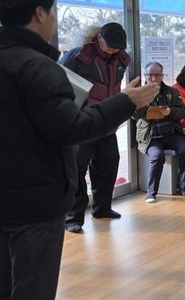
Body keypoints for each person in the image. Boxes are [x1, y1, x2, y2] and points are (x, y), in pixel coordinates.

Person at [0, 0, 159, 299]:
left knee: (4, 284)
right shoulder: (39, 67)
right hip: (35, 199)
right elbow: (72, 128)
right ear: (39, 13)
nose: (53, 19)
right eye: (52, 12)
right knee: (32, 288)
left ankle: (101, 206)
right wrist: (126, 101)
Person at [61, 21, 131, 233]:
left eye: (117, 48)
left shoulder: (121, 60)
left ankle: (102, 208)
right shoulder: (77, 56)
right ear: (98, 37)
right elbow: (59, 83)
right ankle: (73, 217)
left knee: (108, 166)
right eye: (110, 46)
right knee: (76, 170)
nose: (113, 50)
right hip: (82, 123)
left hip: (107, 123)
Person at [134, 62, 185, 202]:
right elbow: (134, 115)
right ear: (145, 76)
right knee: (157, 156)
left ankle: (183, 186)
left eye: (157, 75)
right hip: (151, 137)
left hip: (171, 134)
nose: (153, 78)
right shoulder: (139, 93)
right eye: (150, 75)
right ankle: (151, 192)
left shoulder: (172, 92)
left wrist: (170, 111)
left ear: (162, 76)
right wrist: (146, 101)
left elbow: (183, 111)